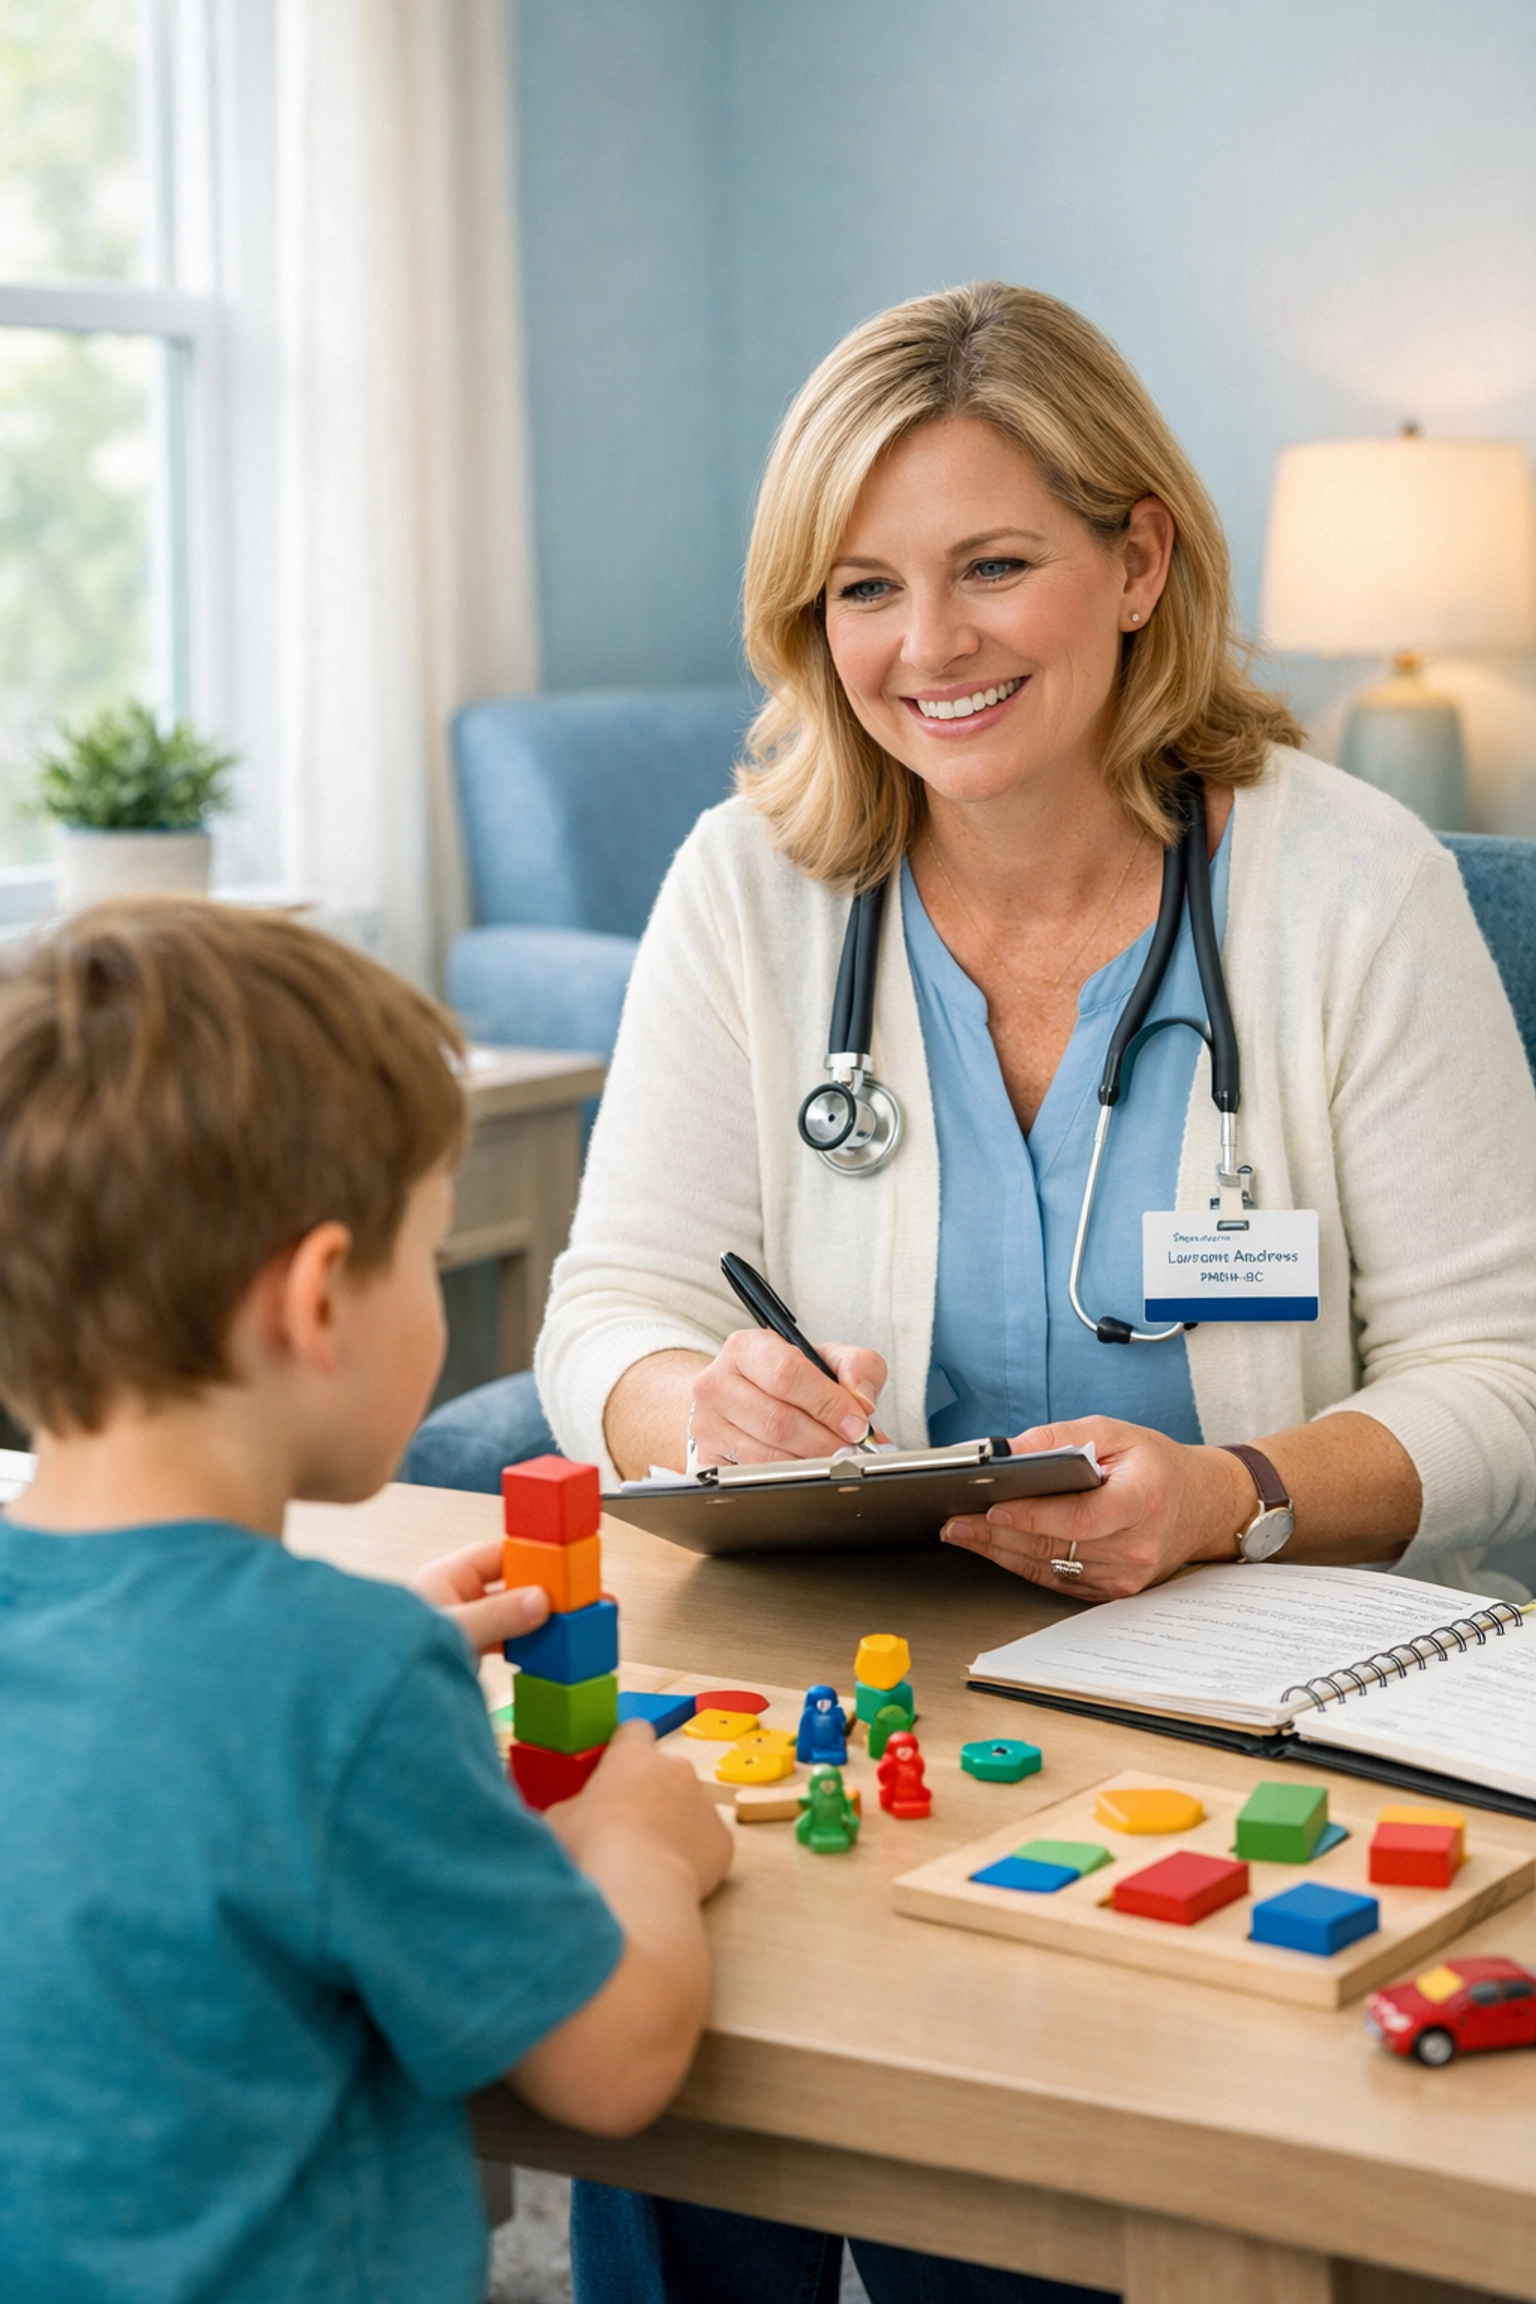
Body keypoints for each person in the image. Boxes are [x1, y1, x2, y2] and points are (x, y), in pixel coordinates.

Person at [534, 280, 1536, 2300]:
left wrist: (1230, 1489)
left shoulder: (1347, 890)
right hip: (832, 1690)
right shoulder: (751, 886)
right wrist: (691, 1408)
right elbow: (607, 1310)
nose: (930, 648)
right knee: (661, 2081)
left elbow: (1509, 1377)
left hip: (1238, 1695)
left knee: (1035, 2200)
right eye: (864, 590)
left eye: (996, 566)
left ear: (1138, 556)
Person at [0, 900, 731, 2304]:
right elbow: (616, 2062)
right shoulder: (343, 1682)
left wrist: (376, 1664)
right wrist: (637, 1841)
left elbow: (152, 1734)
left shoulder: (321, 1672)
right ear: (321, 1296)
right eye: (433, 1252)